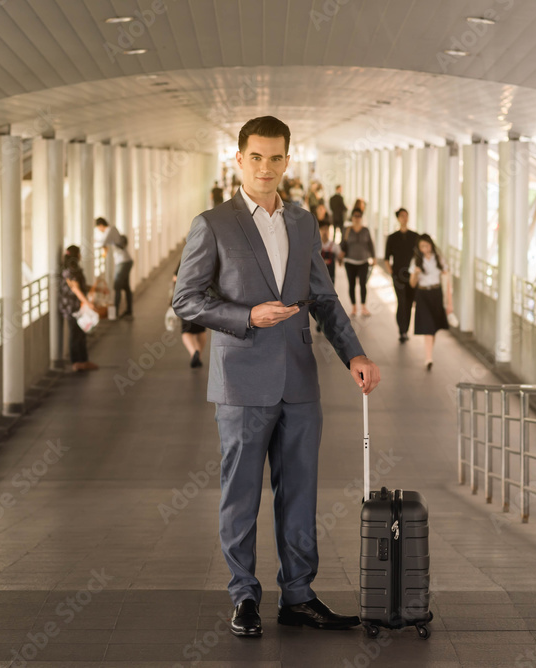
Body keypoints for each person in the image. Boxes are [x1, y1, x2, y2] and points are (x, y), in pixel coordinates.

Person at [173, 115, 380, 639]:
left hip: (299, 381)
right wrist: (246, 317)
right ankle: (244, 596)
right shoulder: (213, 223)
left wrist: (353, 354)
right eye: (256, 157)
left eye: (276, 158)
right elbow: (187, 299)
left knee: (301, 493)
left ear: (288, 161)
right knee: (241, 494)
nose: (266, 167)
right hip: (241, 382)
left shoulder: (303, 223)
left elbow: (325, 298)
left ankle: (299, 596)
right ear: (239, 160)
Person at [409, 234, 453, 371]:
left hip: (436, 293)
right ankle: (428, 357)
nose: (425, 249)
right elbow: (412, 284)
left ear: (431, 245)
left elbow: (447, 279)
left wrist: (449, 302)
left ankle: (429, 355)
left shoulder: (438, 259)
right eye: (422, 246)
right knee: (428, 326)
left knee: (433, 327)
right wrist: (416, 273)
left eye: (426, 246)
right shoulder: (416, 261)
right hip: (422, 294)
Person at [59, 245, 99, 372]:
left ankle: (82, 361)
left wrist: (97, 289)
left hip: (72, 306)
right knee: (77, 334)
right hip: (73, 307)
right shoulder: (71, 270)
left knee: (80, 333)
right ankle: (77, 362)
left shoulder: (69, 269)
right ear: (76, 256)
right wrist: (87, 303)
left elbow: (81, 286)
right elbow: (75, 288)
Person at [383, 208, 420, 343]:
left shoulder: (415, 236)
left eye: (406, 216)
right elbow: (386, 257)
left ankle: (405, 330)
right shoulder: (392, 237)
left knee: (409, 302)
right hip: (398, 275)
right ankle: (402, 330)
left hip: (411, 276)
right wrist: (391, 273)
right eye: (402, 216)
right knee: (402, 301)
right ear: (398, 218)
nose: (404, 218)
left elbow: (419, 255)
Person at [95, 217, 134, 319]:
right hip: (125, 261)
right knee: (126, 287)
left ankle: (114, 313)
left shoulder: (110, 230)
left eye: (98, 228)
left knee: (117, 286)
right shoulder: (112, 230)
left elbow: (102, 243)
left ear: (100, 226)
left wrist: (96, 241)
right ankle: (129, 311)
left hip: (123, 262)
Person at [339, 208, 375, 317]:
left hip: (363, 261)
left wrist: (374, 257)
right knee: (352, 284)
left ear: (361, 217)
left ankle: (363, 306)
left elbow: (370, 244)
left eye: (359, 216)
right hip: (350, 262)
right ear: (352, 217)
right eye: (355, 216)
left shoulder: (366, 230)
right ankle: (354, 307)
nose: (357, 218)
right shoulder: (347, 230)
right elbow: (342, 244)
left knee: (363, 284)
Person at [173, 260, 207, 368]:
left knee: (186, 330)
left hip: (186, 299)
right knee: (201, 330)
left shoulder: (186, 258)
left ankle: (193, 352)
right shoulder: (205, 259)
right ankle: (199, 355)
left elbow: (175, 277)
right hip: (201, 299)